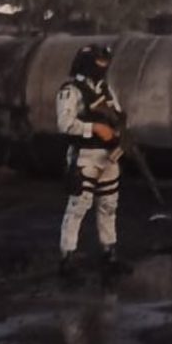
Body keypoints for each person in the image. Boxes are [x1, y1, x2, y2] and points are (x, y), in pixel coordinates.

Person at [56, 44, 124, 280]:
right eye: (99, 62)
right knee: (78, 207)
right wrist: (94, 128)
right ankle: (67, 258)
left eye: (105, 63)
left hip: (108, 156)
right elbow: (65, 124)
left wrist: (118, 132)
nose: (103, 67)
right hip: (84, 155)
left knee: (109, 205)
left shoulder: (106, 89)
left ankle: (109, 252)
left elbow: (118, 114)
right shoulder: (71, 90)